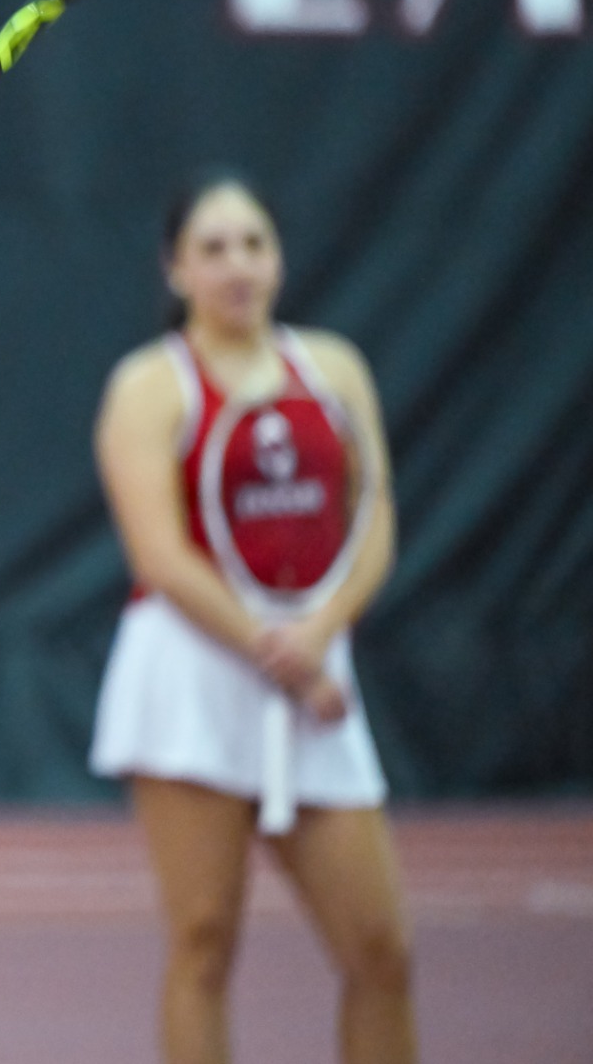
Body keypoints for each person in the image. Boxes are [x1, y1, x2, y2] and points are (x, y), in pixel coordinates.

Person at [88, 174, 417, 1064]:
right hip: (193, 676)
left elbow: (375, 512)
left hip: (314, 668)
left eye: (254, 244)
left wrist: (320, 638)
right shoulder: (149, 386)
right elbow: (159, 555)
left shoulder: (334, 367)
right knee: (204, 940)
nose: (238, 265)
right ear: (177, 268)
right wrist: (281, 653)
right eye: (214, 247)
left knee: (381, 950)